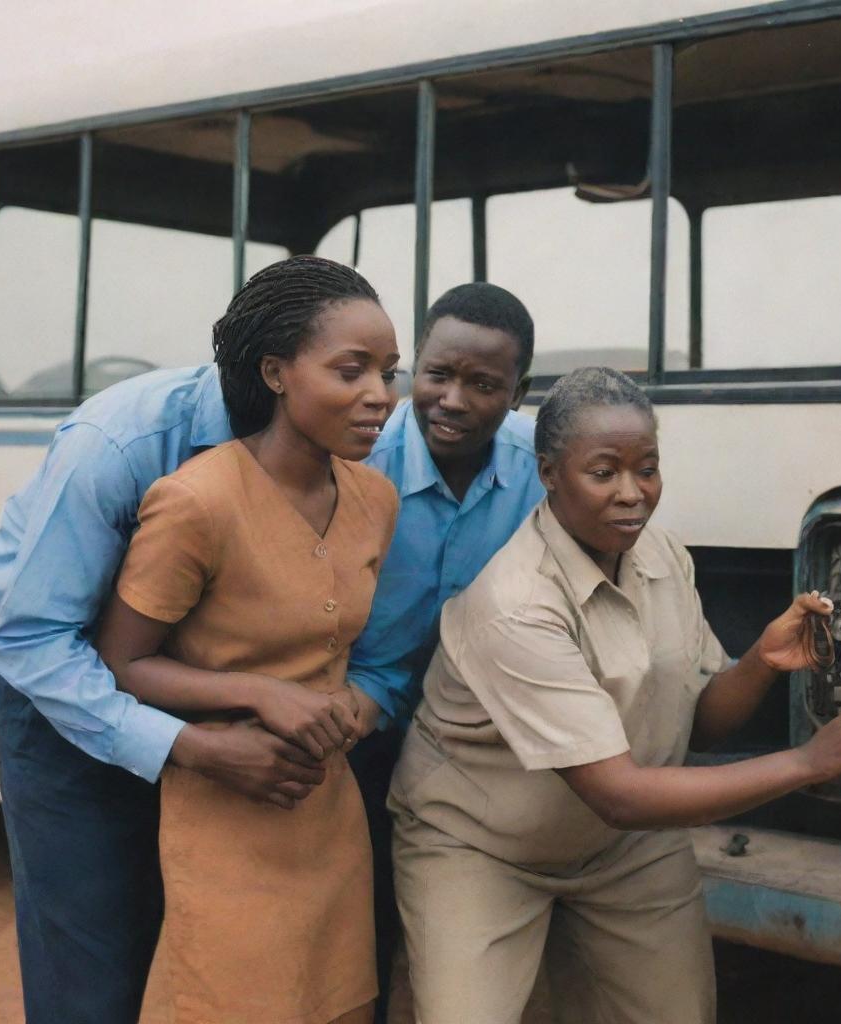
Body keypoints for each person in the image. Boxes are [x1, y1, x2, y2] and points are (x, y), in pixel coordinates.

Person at [389, 367, 841, 1024]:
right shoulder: (516, 604)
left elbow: (700, 725)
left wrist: (762, 662)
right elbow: (620, 793)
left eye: (648, 469)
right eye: (603, 472)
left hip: (622, 847)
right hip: (484, 846)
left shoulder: (661, 554)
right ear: (549, 474)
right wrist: (807, 763)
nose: (633, 494)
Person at [0, 256, 383, 1023]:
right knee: (95, 956)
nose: (379, 396)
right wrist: (189, 746)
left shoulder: (343, 446)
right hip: (57, 681)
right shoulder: (124, 442)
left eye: (388, 372)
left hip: (195, 691)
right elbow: (32, 636)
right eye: (352, 369)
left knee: (200, 953)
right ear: (276, 372)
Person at [344, 282, 545, 1017]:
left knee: (448, 935)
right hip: (360, 717)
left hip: (478, 734)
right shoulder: (355, 461)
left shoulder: (541, 473)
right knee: (356, 921)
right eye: (437, 374)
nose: (452, 400)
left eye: (483, 384)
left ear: (518, 393)